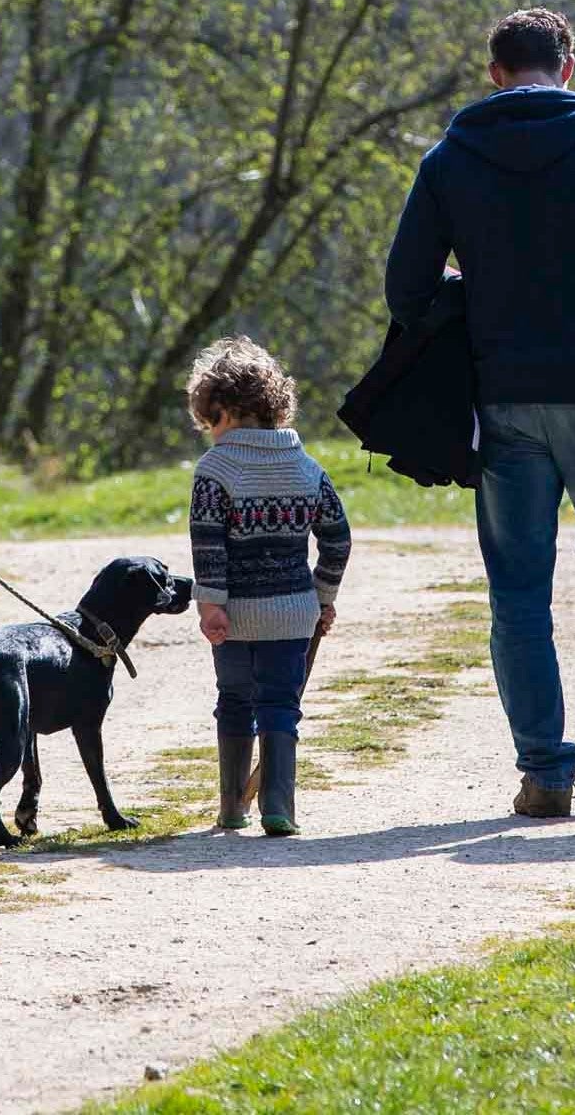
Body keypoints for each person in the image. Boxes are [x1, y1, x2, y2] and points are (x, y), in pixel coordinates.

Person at [383, 7, 575, 818]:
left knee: (518, 588)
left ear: (494, 72)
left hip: (504, 402)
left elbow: (404, 292)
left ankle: (545, 772)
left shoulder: (450, 161)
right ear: (568, 66)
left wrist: (470, 289)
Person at [186, 338, 352, 837]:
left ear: (222, 412)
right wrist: (321, 598)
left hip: (233, 617)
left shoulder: (214, 470)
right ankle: (279, 807)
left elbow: (208, 548)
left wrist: (210, 606)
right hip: (292, 614)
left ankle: (232, 805)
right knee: (282, 705)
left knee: (234, 701)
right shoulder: (308, 469)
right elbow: (338, 541)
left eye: (207, 421)